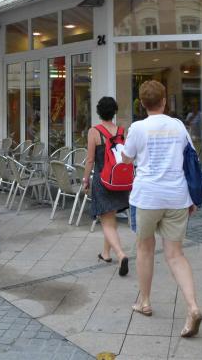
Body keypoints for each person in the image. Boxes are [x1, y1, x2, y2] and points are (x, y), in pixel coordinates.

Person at [121, 80, 202, 338]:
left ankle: (144, 302)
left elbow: (127, 158)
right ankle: (192, 306)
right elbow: (191, 158)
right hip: (177, 196)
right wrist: (191, 198)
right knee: (176, 255)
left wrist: (124, 150)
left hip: (147, 197)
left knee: (145, 249)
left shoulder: (137, 128)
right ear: (164, 101)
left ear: (142, 104)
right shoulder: (178, 126)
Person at [82, 97, 130, 277]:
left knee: (106, 221)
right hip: (119, 181)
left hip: (102, 181)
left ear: (98, 112)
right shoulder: (121, 131)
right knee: (110, 218)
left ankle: (120, 254)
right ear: (114, 112)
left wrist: (85, 180)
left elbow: (90, 160)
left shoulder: (94, 132)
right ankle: (106, 254)